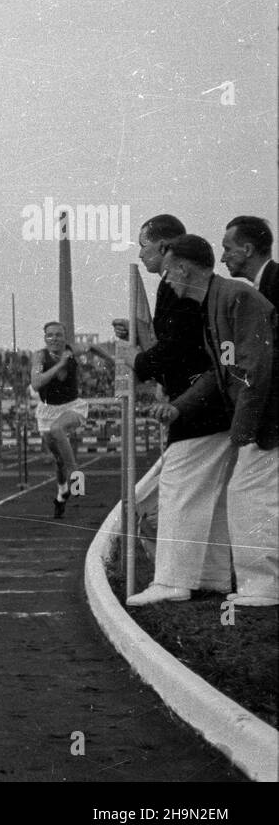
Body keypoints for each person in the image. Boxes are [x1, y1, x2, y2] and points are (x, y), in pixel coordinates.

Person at [115, 220, 234, 606]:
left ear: (166, 249)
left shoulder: (177, 289)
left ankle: (172, 580)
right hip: (207, 401)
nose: (141, 254)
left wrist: (141, 361)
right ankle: (212, 578)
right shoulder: (178, 288)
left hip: (198, 403)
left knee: (180, 490)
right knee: (208, 497)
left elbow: (178, 346)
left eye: (144, 246)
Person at [154, 234, 277, 608]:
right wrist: (181, 407)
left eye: (168, 272)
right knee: (246, 494)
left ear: (184, 268)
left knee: (249, 495)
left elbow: (256, 367)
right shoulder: (214, 302)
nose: (168, 282)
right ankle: (258, 585)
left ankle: (264, 588)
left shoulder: (236, 297)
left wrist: (243, 429)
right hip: (261, 417)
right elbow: (218, 373)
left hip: (269, 417)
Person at [30, 322, 88, 518]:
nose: (54, 338)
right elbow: (36, 384)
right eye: (50, 335)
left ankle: (77, 478)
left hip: (72, 406)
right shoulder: (40, 357)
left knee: (57, 430)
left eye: (58, 335)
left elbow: (94, 347)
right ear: (45, 338)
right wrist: (60, 365)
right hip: (47, 410)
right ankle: (62, 492)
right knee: (58, 461)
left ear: (65, 337)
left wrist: (113, 361)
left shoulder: (73, 350)